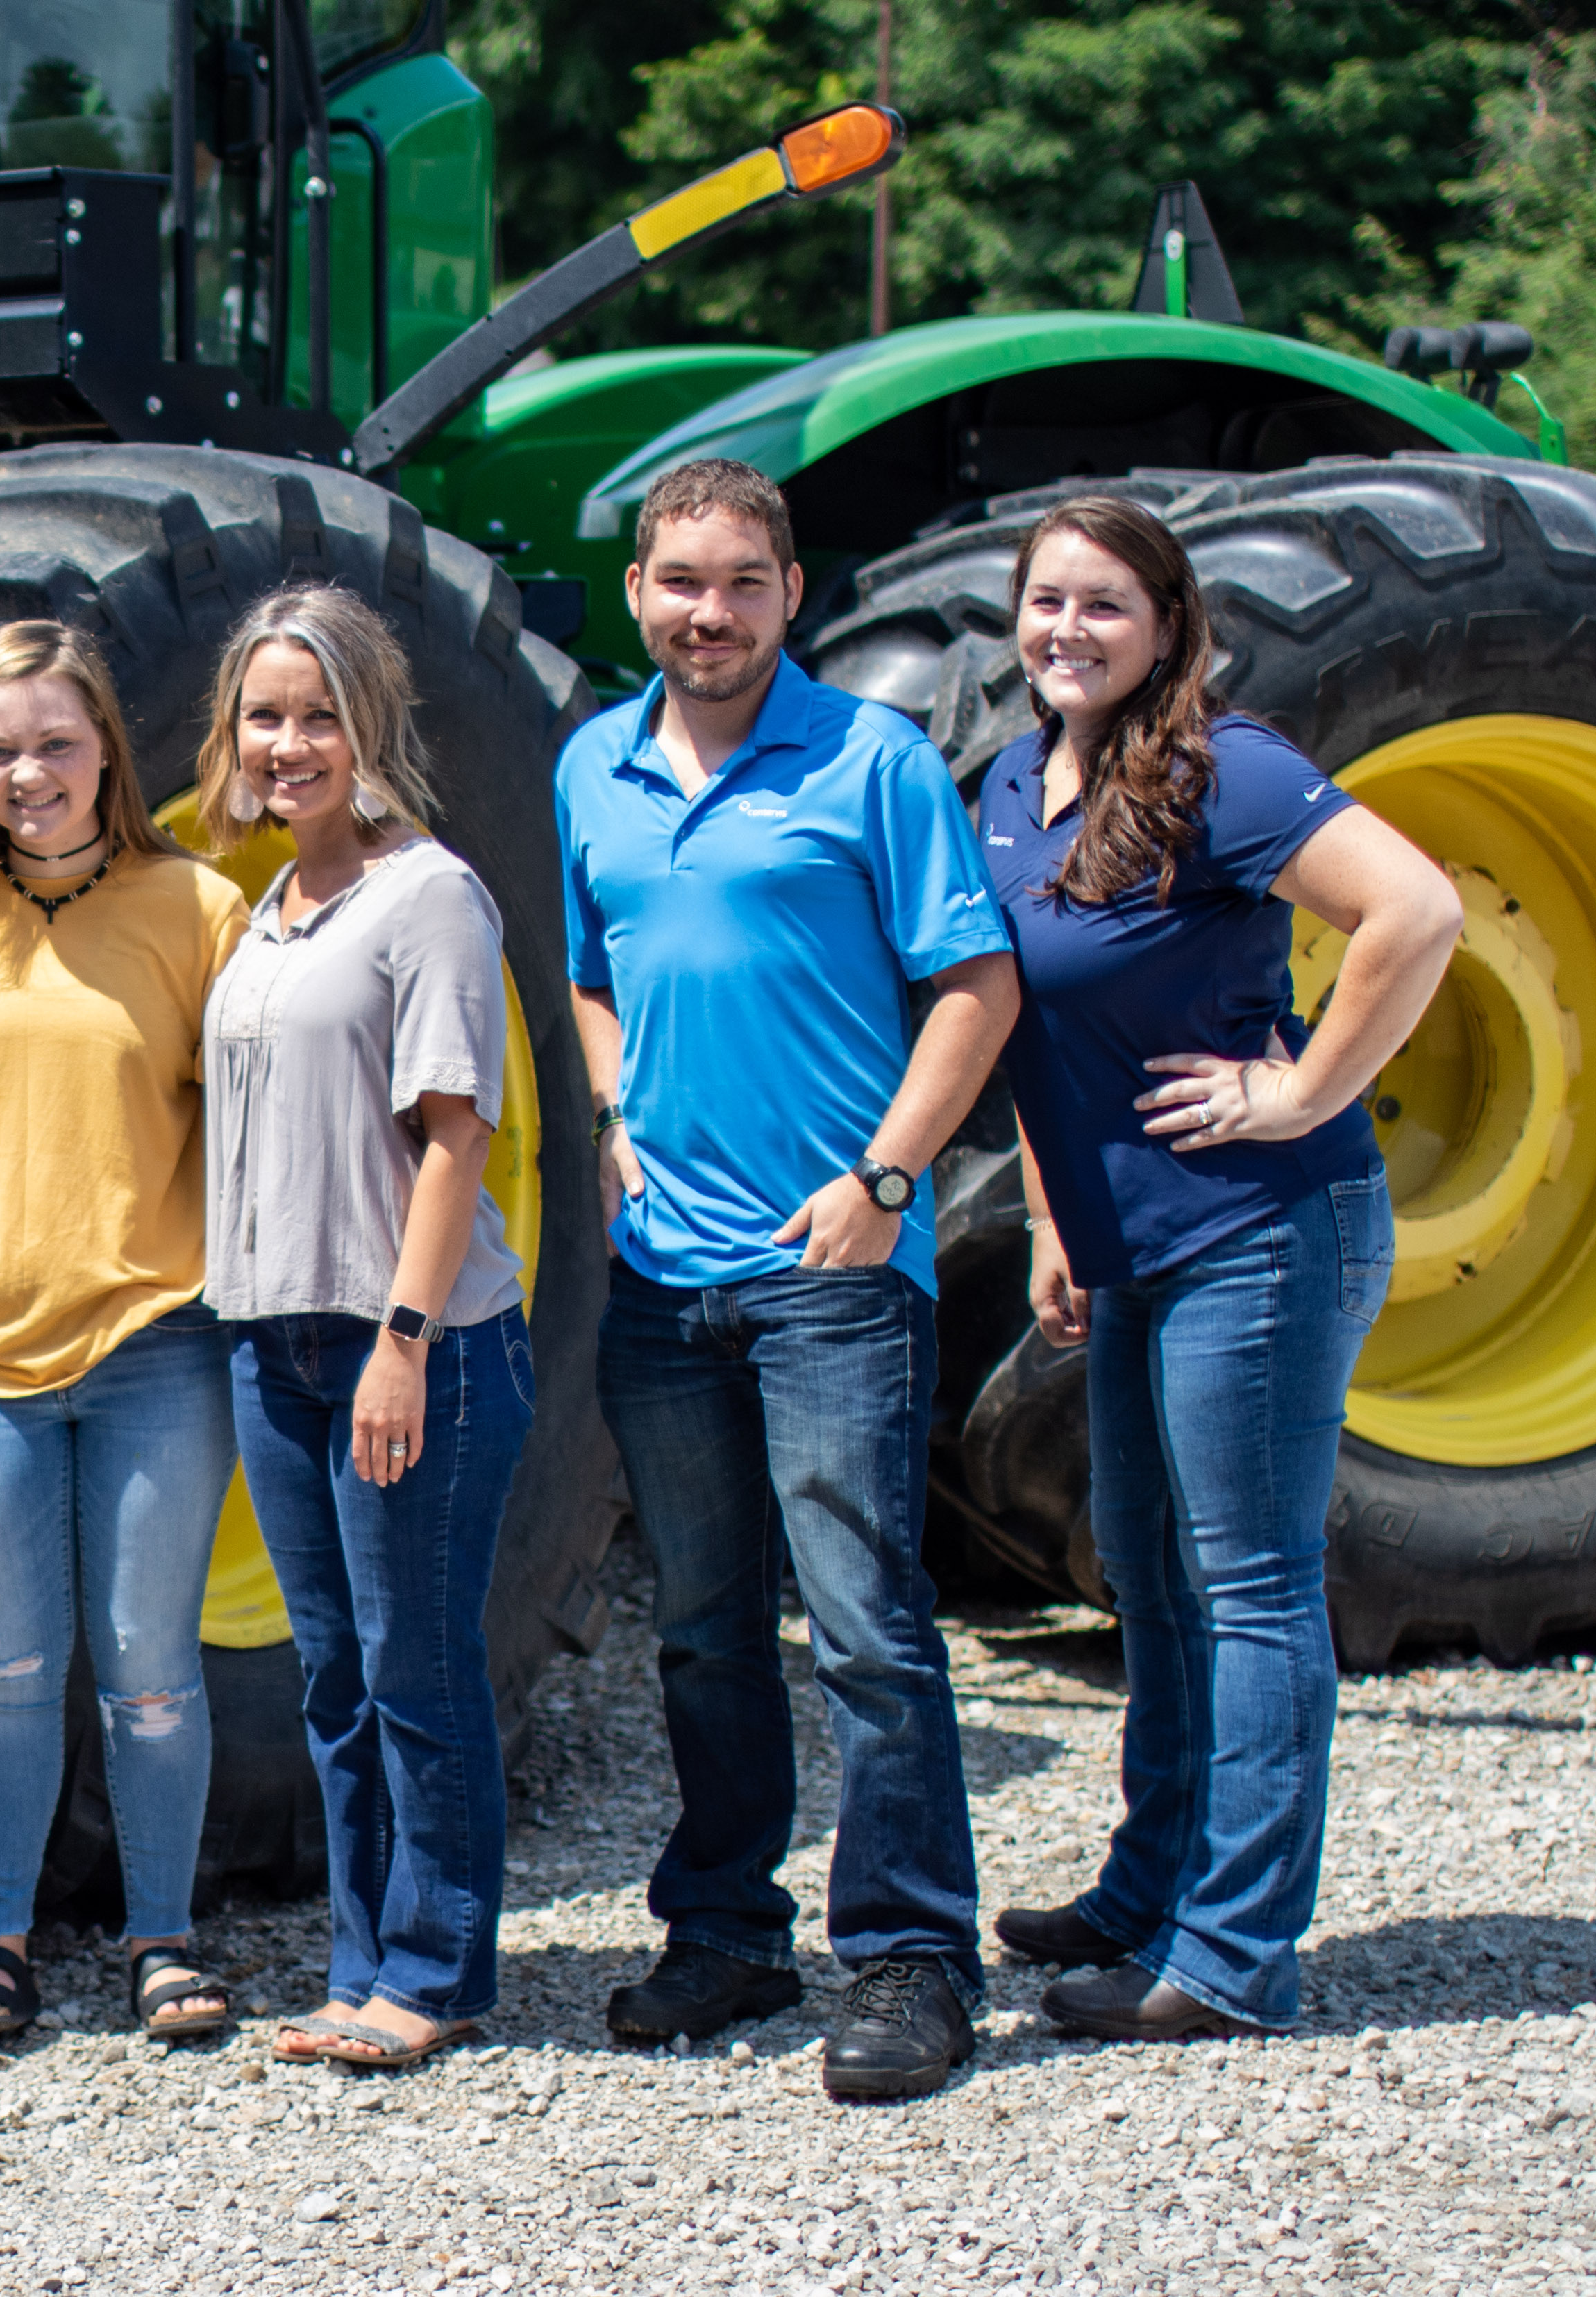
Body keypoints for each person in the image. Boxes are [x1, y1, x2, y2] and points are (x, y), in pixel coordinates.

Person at [557, 458, 1020, 2100]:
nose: (711, 610)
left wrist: (886, 1181)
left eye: (744, 580)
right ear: (637, 594)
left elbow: (975, 982)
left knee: (868, 1623)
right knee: (698, 1626)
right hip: (662, 1272)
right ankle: (730, 1934)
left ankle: (909, 1955)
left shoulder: (873, 759)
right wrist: (612, 1111)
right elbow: (591, 975)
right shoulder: (589, 769)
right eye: (682, 579)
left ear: (792, 593)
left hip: (829, 1267)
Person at [979, 496, 1456, 2039]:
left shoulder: (1222, 769)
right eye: (1048, 600)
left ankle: (1237, 1955)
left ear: (1169, 624)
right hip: (1130, 1248)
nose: (1070, 630)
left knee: (1246, 1586)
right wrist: (1057, 1218)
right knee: (1152, 1577)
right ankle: (1149, 1885)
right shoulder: (1015, 780)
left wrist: (1301, 1091)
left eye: (1105, 605)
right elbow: (1038, 1030)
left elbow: (1419, 908)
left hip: (1263, 1229)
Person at [0, 621, 244, 2048]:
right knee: (8, 1664)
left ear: (108, 746)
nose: (26, 773)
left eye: (54, 742)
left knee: (150, 1661)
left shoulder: (196, 905)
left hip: (158, 1338)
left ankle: (165, 1936)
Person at [195, 584, 532, 2072]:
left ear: (372, 723)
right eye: (266, 716)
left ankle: (441, 1967)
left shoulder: (429, 895)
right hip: (273, 1344)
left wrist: (404, 1335)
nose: (289, 743)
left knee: (417, 1665)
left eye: (318, 712)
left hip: (418, 1344)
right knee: (335, 1675)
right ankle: (360, 1960)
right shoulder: (269, 909)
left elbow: (454, 1137)